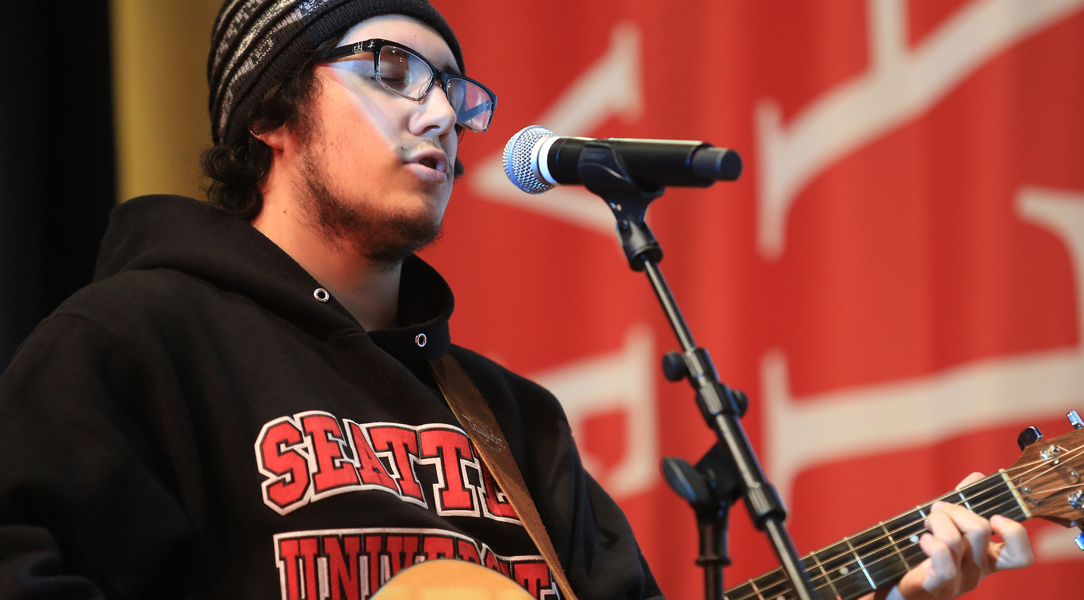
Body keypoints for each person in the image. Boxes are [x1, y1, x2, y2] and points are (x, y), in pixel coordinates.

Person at [0, 1, 1032, 599]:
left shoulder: (512, 421)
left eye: (455, 90)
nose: (440, 114)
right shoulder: (128, 344)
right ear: (272, 110)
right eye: (392, 69)